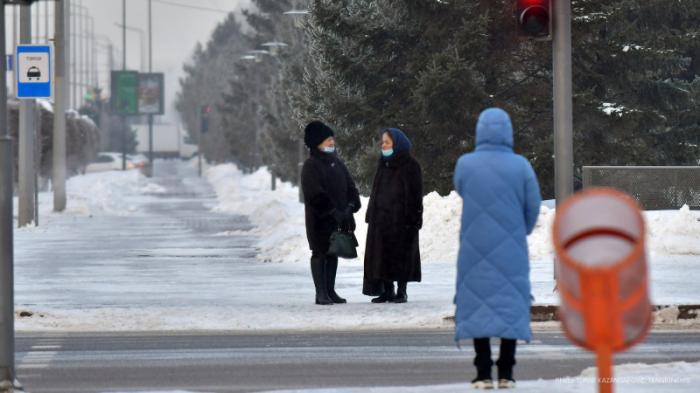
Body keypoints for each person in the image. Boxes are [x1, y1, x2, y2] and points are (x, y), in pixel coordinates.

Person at [452, 108, 541, 389]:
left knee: (478, 305)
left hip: (473, 248)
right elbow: (533, 205)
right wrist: (520, 230)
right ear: (508, 131)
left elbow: (460, 188)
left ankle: (481, 373)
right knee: (509, 306)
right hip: (510, 249)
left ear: (479, 130)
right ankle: (506, 372)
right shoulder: (521, 166)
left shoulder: (465, 164)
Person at [301, 121, 361, 305]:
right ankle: (321, 293)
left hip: (340, 218)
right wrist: (332, 211)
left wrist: (350, 207)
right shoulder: (311, 166)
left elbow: (351, 187)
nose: (331, 142)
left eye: (332, 139)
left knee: (333, 253)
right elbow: (314, 194)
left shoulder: (337, 163)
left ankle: (330, 291)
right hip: (320, 221)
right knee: (320, 253)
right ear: (316, 142)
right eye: (327, 139)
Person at [363, 128, 423, 303]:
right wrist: (371, 213)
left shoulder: (410, 165)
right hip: (381, 220)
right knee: (382, 255)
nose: (384, 145)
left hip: (401, 220)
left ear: (397, 144)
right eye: (383, 142)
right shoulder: (384, 163)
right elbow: (376, 191)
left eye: (387, 142)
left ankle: (401, 290)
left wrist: (413, 220)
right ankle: (387, 290)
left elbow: (415, 195)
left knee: (401, 255)